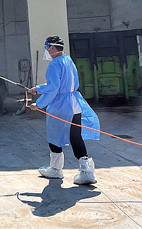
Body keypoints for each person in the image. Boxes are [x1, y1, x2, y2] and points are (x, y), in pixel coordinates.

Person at [28, 35, 100, 185]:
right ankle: (87, 172)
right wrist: (39, 88)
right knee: (76, 137)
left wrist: (39, 104)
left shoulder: (54, 64)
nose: (47, 51)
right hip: (75, 103)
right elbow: (61, 85)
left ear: (52, 48)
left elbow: (54, 89)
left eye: (47, 48)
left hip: (61, 106)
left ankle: (55, 170)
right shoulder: (68, 60)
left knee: (54, 137)